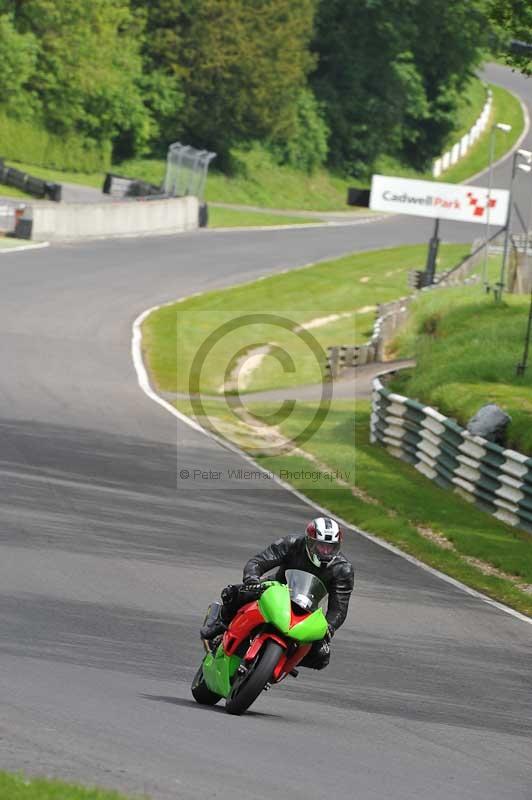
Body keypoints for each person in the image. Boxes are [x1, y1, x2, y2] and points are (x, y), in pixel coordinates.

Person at [200, 516, 354, 670]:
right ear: (309, 542)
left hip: (308, 607)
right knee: (233, 593)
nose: (326, 551)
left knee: (321, 656)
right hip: (276, 588)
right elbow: (258, 561)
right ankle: (220, 623)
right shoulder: (292, 543)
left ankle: (283, 660)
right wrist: (252, 579)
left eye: (331, 547)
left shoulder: (343, 569)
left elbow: (339, 608)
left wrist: (329, 627)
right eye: (321, 546)